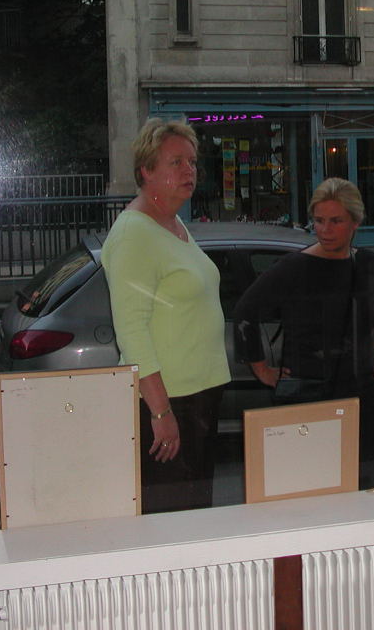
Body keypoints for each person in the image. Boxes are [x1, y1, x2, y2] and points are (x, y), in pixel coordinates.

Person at [232, 178, 374, 490]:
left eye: (336, 221)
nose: (325, 229)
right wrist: (262, 370)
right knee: (309, 488)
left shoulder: (370, 265)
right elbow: (245, 311)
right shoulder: (294, 267)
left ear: (356, 222)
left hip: (362, 395)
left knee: (363, 488)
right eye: (319, 221)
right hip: (308, 393)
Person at [102, 119, 231, 514]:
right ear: (146, 170)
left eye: (192, 162)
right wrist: (160, 412)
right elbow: (132, 330)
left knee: (194, 513)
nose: (189, 171)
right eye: (176, 162)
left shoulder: (173, 224)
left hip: (198, 395)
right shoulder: (134, 234)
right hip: (171, 400)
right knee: (172, 519)